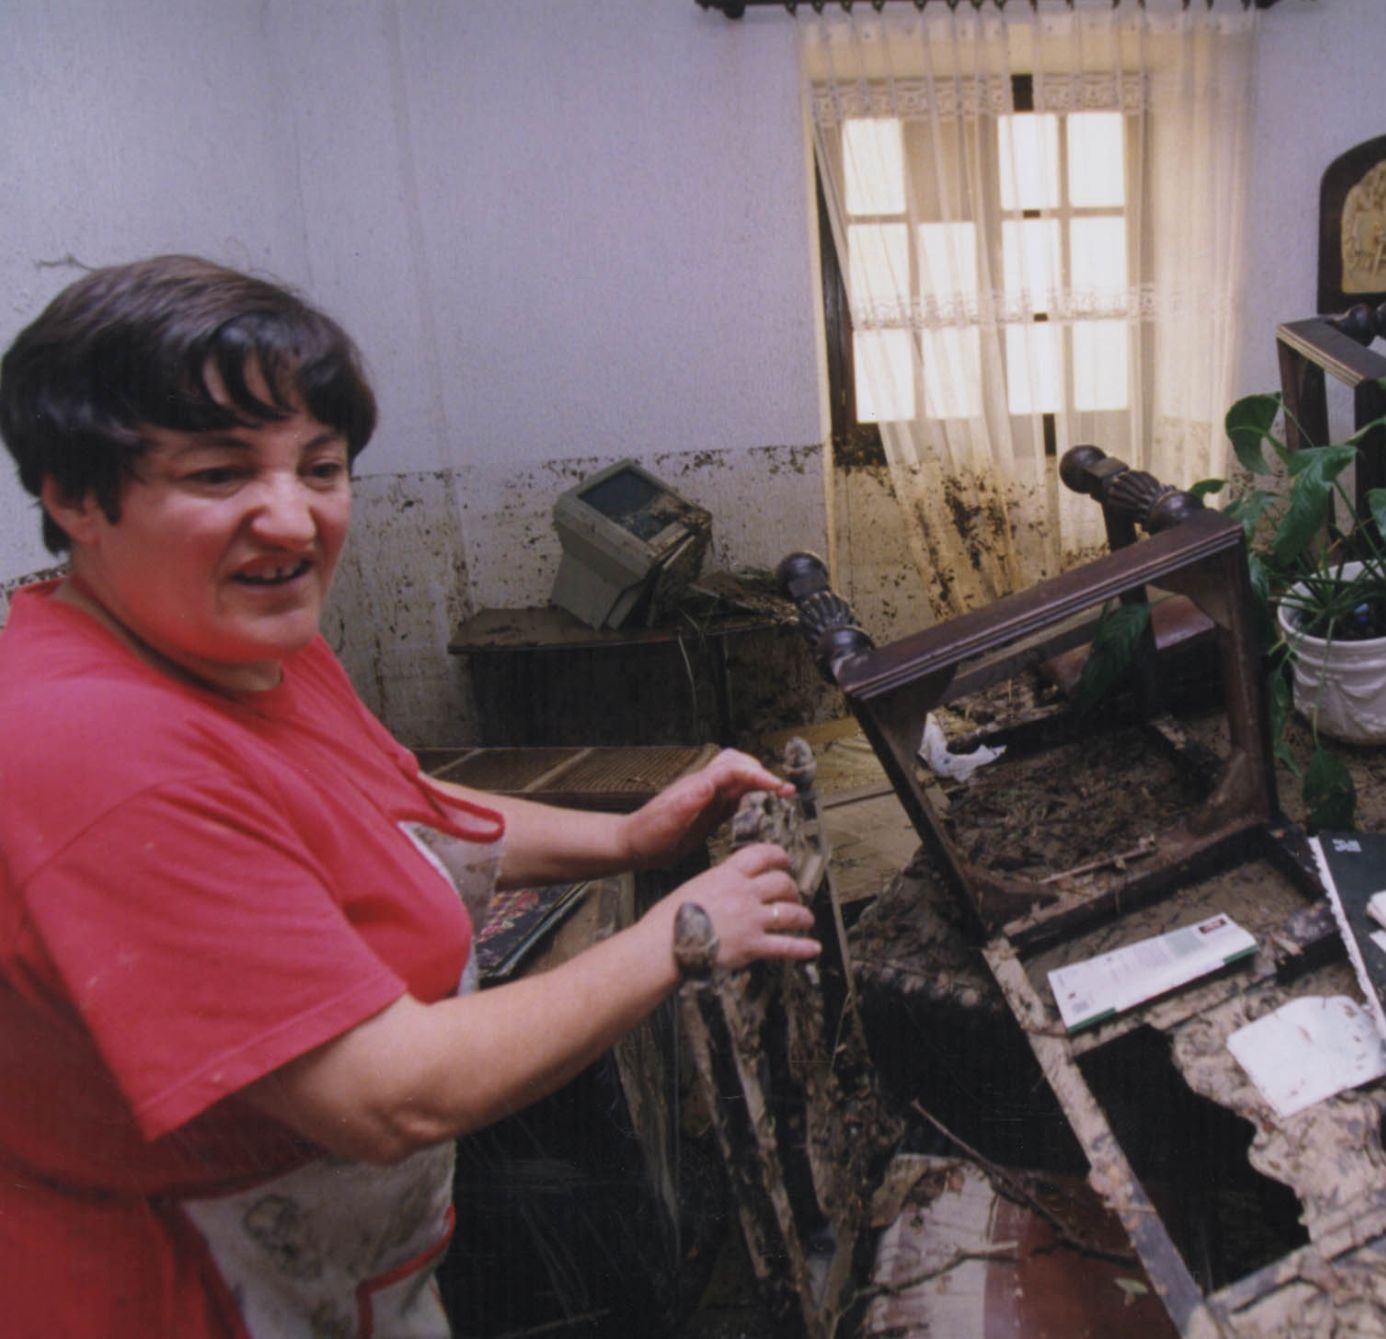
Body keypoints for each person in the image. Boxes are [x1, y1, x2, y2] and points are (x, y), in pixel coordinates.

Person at [0, 255, 823, 1337]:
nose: (292, 522)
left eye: (321, 466)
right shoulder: (95, 750)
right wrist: (678, 931)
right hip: (182, 1291)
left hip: (339, 1268)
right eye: (218, 474)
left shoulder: (239, 643)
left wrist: (631, 834)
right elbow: (387, 1088)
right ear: (74, 494)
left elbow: (394, 809)